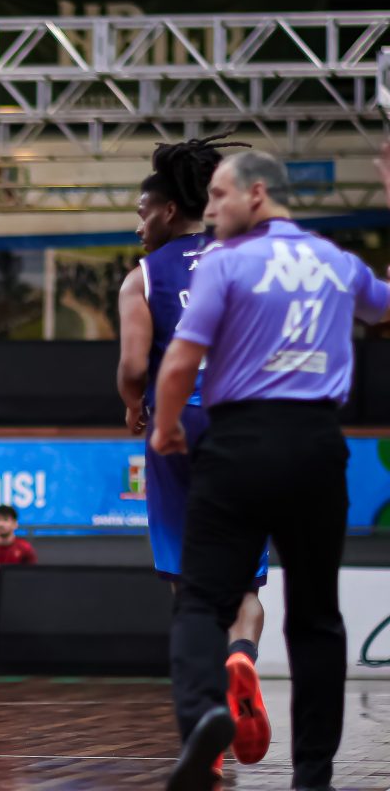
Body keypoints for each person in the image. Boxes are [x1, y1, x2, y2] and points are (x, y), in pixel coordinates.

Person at [152, 150, 390, 791]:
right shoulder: (338, 262)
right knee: (316, 619)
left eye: (219, 196)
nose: (210, 210)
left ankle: (204, 720)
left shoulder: (226, 263)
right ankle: (312, 776)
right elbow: (386, 310)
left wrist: (167, 426)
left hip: (237, 445)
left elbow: (180, 362)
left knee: (199, 602)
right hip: (317, 448)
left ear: (257, 193)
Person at [116, 135, 271, 775]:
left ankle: (205, 723)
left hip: (179, 423)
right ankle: (241, 657)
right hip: (247, 424)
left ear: (168, 209)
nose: (138, 224)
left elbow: (133, 366)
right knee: (246, 585)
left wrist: (133, 405)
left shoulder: (144, 276)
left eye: (142, 212)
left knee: (190, 586)